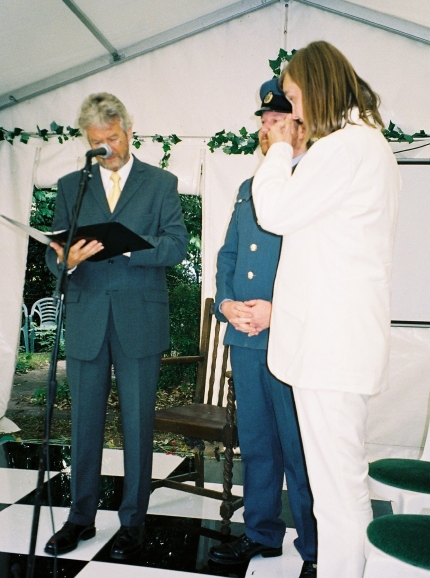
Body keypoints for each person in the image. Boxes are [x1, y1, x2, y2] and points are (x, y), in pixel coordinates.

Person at [252, 42, 401, 578]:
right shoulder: (361, 145)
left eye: (293, 98)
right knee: (336, 484)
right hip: (335, 344)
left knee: (337, 488)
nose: (291, 111)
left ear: (316, 89)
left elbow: (274, 212)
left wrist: (277, 152)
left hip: (331, 347)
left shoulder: (346, 147)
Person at [44, 93, 189, 559]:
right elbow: (53, 253)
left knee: (137, 423)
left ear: (128, 131)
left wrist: (126, 245)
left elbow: (177, 246)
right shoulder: (71, 185)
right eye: (96, 141)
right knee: (83, 423)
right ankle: (80, 518)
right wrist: (65, 259)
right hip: (87, 317)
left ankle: (133, 521)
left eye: (111, 138)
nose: (105, 147)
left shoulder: (161, 183)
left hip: (139, 320)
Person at [209, 78, 317, 578]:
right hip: (246, 337)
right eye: (264, 121)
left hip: (291, 335)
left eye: (277, 120)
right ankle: (261, 534)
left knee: (300, 447)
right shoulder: (247, 188)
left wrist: (280, 309)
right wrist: (226, 304)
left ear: (300, 125)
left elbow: (321, 265)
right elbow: (228, 255)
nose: (266, 128)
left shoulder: (315, 180)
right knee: (256, 443)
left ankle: (317, 548)